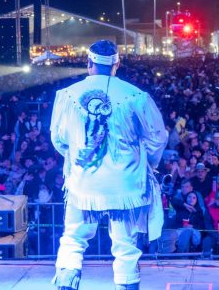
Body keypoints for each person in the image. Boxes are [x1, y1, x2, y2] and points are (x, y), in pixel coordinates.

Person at [51, 40, 167, 290]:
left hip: (83, 183)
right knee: (126, 246)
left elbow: (58, 139)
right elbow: (158, 137)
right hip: (125, 186)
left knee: (73, 238)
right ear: (117, 64)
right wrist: (149, 163)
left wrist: (75, 159)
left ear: (89, 63)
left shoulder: (66, 96)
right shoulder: (136, 96)